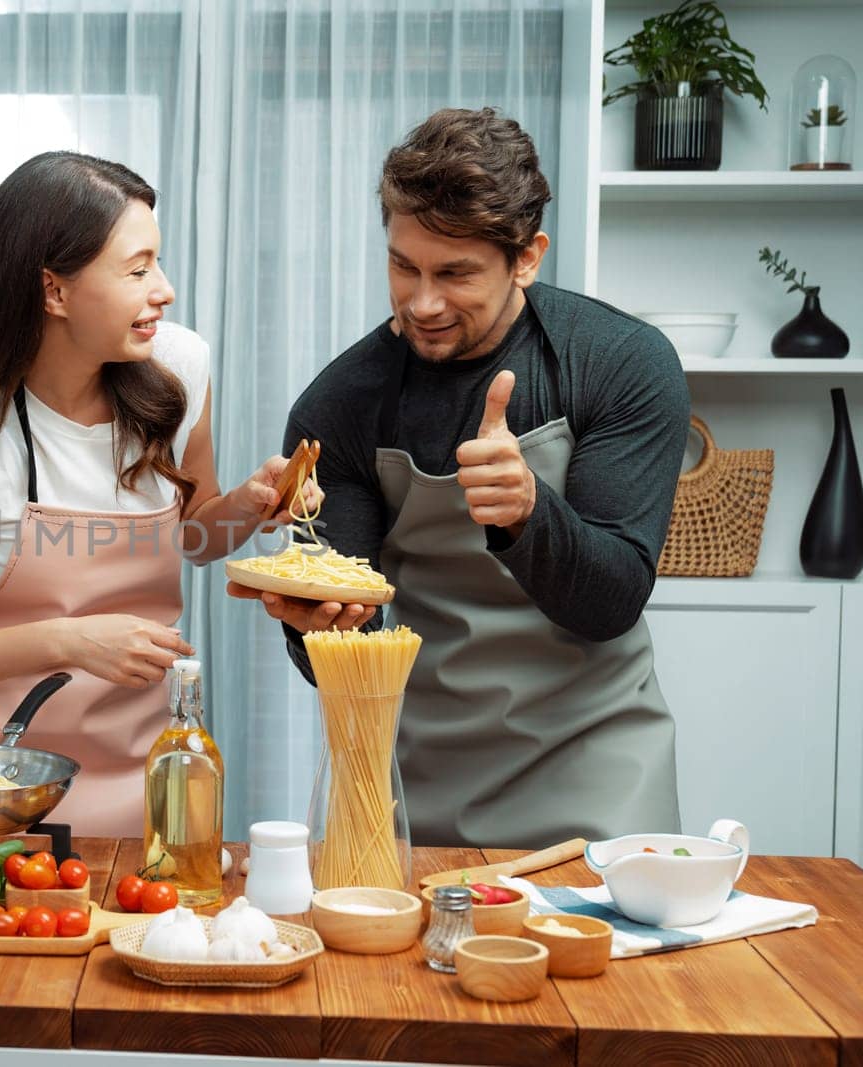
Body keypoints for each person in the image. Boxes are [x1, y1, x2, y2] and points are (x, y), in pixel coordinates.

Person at [231, 108, 689, 849]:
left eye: (455, 273)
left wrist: (530, 512)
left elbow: (611, 600)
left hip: (595, 768)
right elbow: (343, 647)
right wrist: (316, 621)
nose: (422, 302)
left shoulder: (620, 364)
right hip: (413, 779)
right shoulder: (340, 403)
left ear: (528, 257)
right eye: (403, 265)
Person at [0, 151, 317, 836]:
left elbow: (195, 535)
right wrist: (68, 641)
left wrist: (251, 504)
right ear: (54, 291)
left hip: (143, 774)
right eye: (138, 270)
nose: (162, 289)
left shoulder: (178, 368)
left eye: (156, 264)